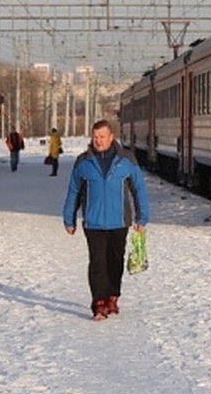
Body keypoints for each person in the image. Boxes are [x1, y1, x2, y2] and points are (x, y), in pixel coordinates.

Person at [62, 119, 150, 321]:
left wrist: (142, 217)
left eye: (102, 137)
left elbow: (138, 189)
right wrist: (69, 218)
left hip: (119, 221)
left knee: (115, 262)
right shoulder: (83, 162)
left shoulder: (127, 160)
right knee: (97, 262)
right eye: (95, 137)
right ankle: (99, 303)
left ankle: (113, 296)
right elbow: (74, 191)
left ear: (112, 137)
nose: (98, 141)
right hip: (93, 222)